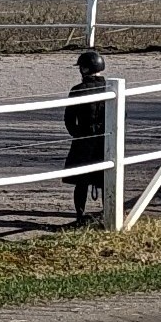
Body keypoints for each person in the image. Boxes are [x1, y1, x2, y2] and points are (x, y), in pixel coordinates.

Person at [63, 50, 110, 223]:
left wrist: (77, 135)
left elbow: (69, 119)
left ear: (83, 69)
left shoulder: (78, 90)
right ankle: (108, 212)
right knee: (106, 178)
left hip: (83, 139)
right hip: (105, 139)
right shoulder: (110, 88)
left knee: (81, 181)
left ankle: (80, 215)